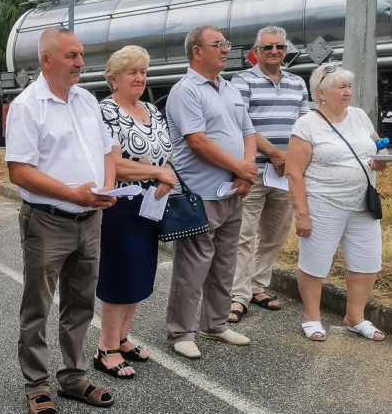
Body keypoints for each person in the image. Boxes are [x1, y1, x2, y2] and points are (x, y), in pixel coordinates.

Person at [6, 26, 117, 414]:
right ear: (46, 60)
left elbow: (109, 151)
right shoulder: (27, 106)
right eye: (71, 55)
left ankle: (73, 376)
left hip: (91, 218)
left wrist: (106, 188)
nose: (80, 62)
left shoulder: (86, 100)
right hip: (48, 221)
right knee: (37, 306)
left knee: (81, 302)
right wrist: (75, 194)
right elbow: (19, 171)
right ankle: (36, 385)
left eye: (81, 54)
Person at [164, 25, 257, 359]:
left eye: (225, 43)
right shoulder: (186, 90)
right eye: (218, 44)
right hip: (200, 193)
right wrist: (241, 169)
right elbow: (197, 141)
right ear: (197, 51)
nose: (226, 49)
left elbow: (248, 132)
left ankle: (215, 324)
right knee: (192, 266)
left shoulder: (229, 88)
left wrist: (246, 170)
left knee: (224, 262)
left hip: (232, 191)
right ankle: (181, 331)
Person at [286, 63, 387, 342]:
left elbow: (378, 146)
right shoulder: (307, 124)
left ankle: (355, 318)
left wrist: (382, 159)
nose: (348, 92)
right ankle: (312, 318)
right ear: (321, 93)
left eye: (349, 86)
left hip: (363, 204)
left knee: (367, 262)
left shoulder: (359, 116)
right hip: (323, 203)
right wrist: (302, 214)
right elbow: (293, 172)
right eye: (341, 87)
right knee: (315, 263)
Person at [94, 45, 176, 378]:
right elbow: (114, 164)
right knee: (119, 273)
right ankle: (105, 348)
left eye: (143, 71)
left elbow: (163, 155)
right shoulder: (106, 111)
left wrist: (166, 175)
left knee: (141, 272)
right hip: (121, 203)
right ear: (114, 78)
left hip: (151, 202)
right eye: (132, 72)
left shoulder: (151, 110)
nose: (140, 77)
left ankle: (123, 337)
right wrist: (158, 173)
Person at [228, 26, 310, 323]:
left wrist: (292, 160)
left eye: (280, 46)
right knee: (243, 236)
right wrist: (275, 154)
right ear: (256, 51)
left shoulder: (297, 83)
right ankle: (238, 296)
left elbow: (304, 125)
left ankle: (257, 286)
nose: (275, 51)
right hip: (254, 170)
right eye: (268, 47)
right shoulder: (243, 80)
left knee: (275, 235)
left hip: (286, 173)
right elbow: (243, 123)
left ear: (286, 50)